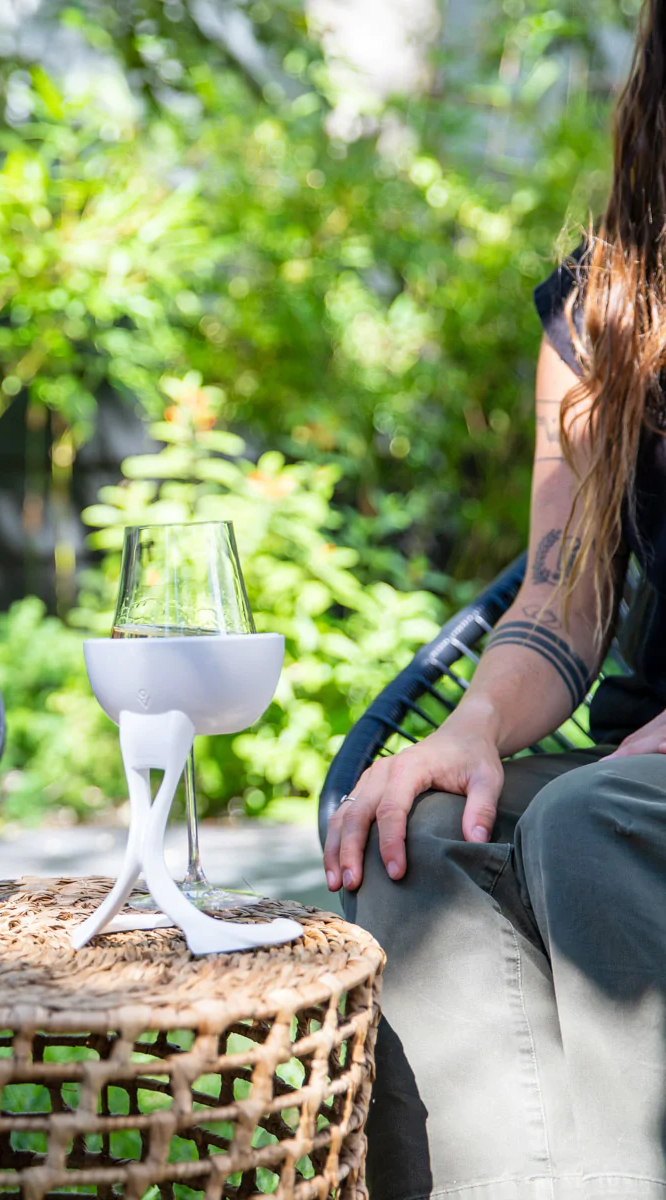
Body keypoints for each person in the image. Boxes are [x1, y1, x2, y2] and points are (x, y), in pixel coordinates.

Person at [321, 4, 666, 1197]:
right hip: (644, 762)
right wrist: (466, 731)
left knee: (591, 821)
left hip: (633, 793)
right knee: (414, 834)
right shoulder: (607, 306)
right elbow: (565, 585)